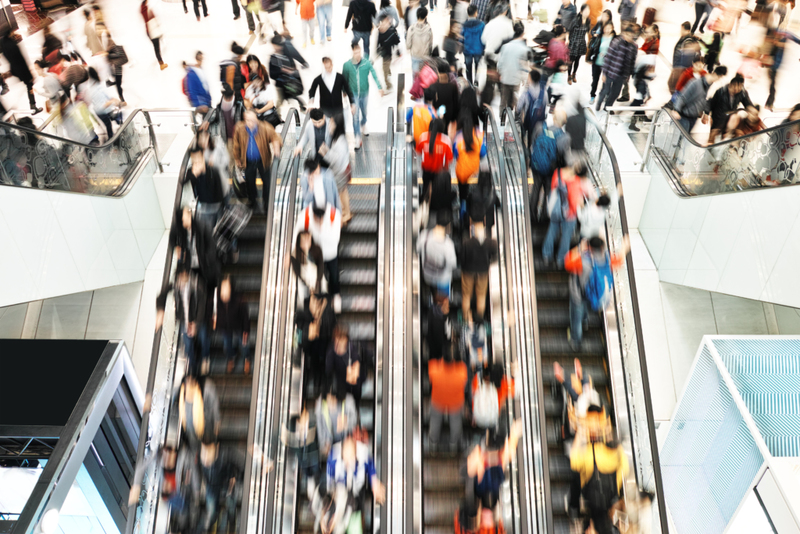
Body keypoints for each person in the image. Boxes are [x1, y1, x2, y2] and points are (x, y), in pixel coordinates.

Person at [564, 235, 630, 349]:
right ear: (602, 247)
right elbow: (620, 260)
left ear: (589, 247)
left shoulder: (582, 261)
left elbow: (567, 262)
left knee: (576, 317)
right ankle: (584, 321)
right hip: (593, 295)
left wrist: (580, 248)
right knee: (584, 309)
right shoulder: (608, 259)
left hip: (578, 294)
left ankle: (575, 340)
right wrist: (624, 247)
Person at [569, 414, 629, 534]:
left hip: (593, 500)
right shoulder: (619, 453)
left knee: (575, 477)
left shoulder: (592, 451)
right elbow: (625, 470)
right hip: (610, 499)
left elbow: (574, 462)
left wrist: (579, 434)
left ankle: (574, 510)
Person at [157, 267, 210, 376]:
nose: (181, 283)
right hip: (184, 320)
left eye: (183, 278)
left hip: (198, 319)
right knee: (187, 344)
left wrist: (195, 323)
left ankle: (205, 358)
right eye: (179, 279)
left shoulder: (197, 285)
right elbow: (161, 296)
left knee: (203, 338)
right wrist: (160, 311)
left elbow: (201, 305)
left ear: (187, 275)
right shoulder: (176, 284)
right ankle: (192, 367)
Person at [293, 186, 343, 303]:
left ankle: (335, 295)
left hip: (330, 253)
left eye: (321, 218)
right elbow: (297, 235)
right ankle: (316, 300)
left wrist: (322, 231)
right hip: (313, 254)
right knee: (315, 277)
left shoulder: (333, 215)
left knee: (334, 275)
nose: (319, 221)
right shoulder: (305, 216)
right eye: (317, 218)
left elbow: (336, 238)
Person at [232, 109, 283, 211]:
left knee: (267, 183)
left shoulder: (264, 127)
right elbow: (236, 144)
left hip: (263, 160)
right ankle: (252, 202)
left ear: (256, 120)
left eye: (251, 121)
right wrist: (237, 158)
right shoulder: (240, 128)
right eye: (247, 120)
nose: (249, 123)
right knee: (250, 182)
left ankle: (267, 203)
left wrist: (276, 146)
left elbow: (275, 137)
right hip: (248, 161)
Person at [428, 327, 468, 451]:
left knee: (435, 421)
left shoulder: (433, 367)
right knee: (456, 423)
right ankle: (453, 443)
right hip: (456, 402)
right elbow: (464, 385)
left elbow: (431, 381)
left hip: (437, 400)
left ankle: (433, 442)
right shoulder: (462, 370)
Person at [542, 161, 588, 267]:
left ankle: (546, 254)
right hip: (570, 214)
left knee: (552, 231)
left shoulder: (557, 173)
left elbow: (553, 188)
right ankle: (561, 260)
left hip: (556, 210)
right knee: (566, 237)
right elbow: (574, 200)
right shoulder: (576, 181)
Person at [342, 43, 383, 149]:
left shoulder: (366, 63)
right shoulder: (347, 65)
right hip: (353, 94)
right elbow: (344, 79)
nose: (357, 54)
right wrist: (344, 91)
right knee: (355, 116)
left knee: (364, 112)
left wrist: (379, 87)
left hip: (364, 93)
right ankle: (357, 137)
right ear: (352, 52)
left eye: (359, 52)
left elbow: (374, 74)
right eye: (355, 52)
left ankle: (363, 123)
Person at [209, 275, 252, 374]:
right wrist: (214, 321)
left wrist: (246, 330)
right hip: (225, 326)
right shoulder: (215, 298)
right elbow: (209, 310)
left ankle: (247, 358)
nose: (224, 294)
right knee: (227, 345)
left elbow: (246, 316)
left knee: (244, 344)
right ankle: (231, 358)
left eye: (227, 290)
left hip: (238, 325)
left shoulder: (239, 299)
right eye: (223, 290)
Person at [170, 206, 222, 286]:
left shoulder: (201, 226)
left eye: (186, 217)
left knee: (208, 283)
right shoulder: (179, 229)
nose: (185, 220)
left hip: (204, 264)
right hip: (190, 266)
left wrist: (207, 259)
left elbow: (211, 245)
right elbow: (172, 237)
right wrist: (177, 246)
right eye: (183, 219)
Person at [297, 291, 337, 392]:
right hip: (309, 347)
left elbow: (332, 327)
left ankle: (323, 386)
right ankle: (315, 384)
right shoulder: (303, 308)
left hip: (323, 344)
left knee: (323, 363)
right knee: (312, 362)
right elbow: (297, 333)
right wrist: (308, 332)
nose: (315, 305)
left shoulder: (328, 308)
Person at [671, 65, 726, 135]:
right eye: (720, 78)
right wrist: (676, 110)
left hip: (693, 117)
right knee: (678, 138)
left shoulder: (709, 86)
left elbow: (705, 100)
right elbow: (682, 97)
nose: (720, 80)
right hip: (684, 117)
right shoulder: (695, 83)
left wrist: (705, 113)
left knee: (683, 139)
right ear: (716, 75)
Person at [595, 24, 638, 112]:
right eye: (628, 35)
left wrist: (628, 75)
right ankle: (599, 103)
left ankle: (607, 107)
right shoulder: (616, 42)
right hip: (610, 72)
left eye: (631, 36)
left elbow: (632, 62)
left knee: (615, 93)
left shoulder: (633, 47)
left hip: (621, 75)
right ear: (624, 34)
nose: (629, 37)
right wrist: (604, 73)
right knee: (605, 90)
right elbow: (608, 58)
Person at [461, 221, 497, 323]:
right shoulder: (491, 243)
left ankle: (466, 319)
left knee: (466, 296)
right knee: (481, 296)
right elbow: (494, 256)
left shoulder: (467, 243)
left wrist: (464, 267)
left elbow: (462, 259)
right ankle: (479, 319)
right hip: (483, 272)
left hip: (468, 271)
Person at [417, 210, 458, 296]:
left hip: (427, 275)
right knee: (443, 300)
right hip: (443, 279)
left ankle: (429, 297)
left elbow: (417, 250)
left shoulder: (424, 235)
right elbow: (453, 264)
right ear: (448, 225)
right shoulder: (448, 244)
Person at [320, 113, 352, 223]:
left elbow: (335, 160)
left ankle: (347, 213)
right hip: (341, 170)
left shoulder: (340, 142)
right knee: (341, 192)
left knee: (342, 192)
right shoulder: (338, 137)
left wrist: (325, 153)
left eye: (332, 123)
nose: (330, 125)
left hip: (341, 171)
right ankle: (344, 210)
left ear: (337, 125)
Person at [0, 30, 42, 114]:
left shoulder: (4, 44)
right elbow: (21, 59)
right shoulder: (13, 45)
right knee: (29, 86)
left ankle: (33, 106)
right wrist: (29, 74)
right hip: (22, 70)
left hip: (15, 69)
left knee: (29, 86)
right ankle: (33, 106)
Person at [325, 325, 367, 403]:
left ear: (346, 339)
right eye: (336, 338)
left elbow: (356, 372)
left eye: (341, 338)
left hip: (354, 389)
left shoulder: (353, 349)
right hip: (340, 388)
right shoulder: (331, 350)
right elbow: (328, 370)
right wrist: (335, 352)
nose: (338, 341)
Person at [707, 74, 753, 144]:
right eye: (735, 86)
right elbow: (712, 103)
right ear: (730, 84)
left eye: (740, 87)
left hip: (730, 118)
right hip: (718, 117)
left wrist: (752, 111)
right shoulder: (721, 91)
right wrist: (707, 114)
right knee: (713, 136)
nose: (737, 89)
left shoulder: (742, 93)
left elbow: (748, 104)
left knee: (729, 135)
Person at [315, 381, 358, 456]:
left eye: (333, 399)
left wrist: (346, 423)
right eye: (328, 399)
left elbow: (355, 420)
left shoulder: (348, 401)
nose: (331, 402)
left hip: (345, 442)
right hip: (329, 442)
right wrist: (323, 444)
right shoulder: (320, 404)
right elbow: (319, 425)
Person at [454, 115, 486, 206]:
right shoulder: (479, 135)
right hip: (475, 170)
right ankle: (473, 205)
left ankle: (462, 206)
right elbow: (483, 153)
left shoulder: (458, 137)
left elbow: (456, 155)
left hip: (462, 172)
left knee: (462, 189)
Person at [497, 21, 529, 110]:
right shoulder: (524, 48)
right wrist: (524, 78)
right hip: (516, 78)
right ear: (522, 33)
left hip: (505, 76)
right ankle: (513, 119)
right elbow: (524, 65)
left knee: (503, 99)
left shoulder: (505, 46)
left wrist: (500, 73)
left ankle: (502, 119)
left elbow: (500, 63)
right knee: (514, 99)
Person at [80, 67, 119, 139]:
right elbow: (102, 105)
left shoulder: (90, 87)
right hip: (103, 110)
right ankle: (114, 137)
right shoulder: (96, 87)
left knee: (109, 125)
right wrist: (112, 101)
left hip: (99, 111)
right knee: (114, 119)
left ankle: (112, 137)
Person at [417, 118, 453, 195]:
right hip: (440, 172)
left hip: (426, 170)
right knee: (439, 193)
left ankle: (425, 202)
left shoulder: (423, 137)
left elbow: (418, 152)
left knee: (425, 190)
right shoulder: (446, 140)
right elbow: (450, 159)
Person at [292, 229, 327, 297]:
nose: (306, 241)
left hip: (319, 285)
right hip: (304, 286)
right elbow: (298, 273)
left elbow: (321, 268)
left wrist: (316, 287)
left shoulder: (317, 250)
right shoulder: (295, 254)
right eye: (304, 239)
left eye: (308, 238)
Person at [668, 22, 699, 94]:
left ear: (687, 31)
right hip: (678, 66)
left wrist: (679, 68)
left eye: (682, 30)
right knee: (671, 83)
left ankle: (675, 99)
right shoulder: (684, 38)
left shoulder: (688, 41)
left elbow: (688, 58)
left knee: (673, 84)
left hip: (680, 67)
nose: (680, 31)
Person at [141, 0, 168, 70]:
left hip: (151, 31)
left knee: (156, 48)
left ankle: (161, 63)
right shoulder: (146, 10)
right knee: (157, 48)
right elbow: (151, 19)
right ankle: (161, 64)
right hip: (152, 31)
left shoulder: (144, 8)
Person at [376, 14, 401, 91]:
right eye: (382, 22)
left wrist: (398, 52)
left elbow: (397, 42)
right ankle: (389, 73)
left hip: (389, 55)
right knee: (386, 68)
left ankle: (389, 85)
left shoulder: (392, 31)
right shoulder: (380, 31)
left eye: (385, 22)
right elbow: (378, 42)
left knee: (384, 71)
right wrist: (377, 49)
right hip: (384, 53)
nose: (383, 24)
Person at [568, 4, 591, 84]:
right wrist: (570, 41)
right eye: (585, 10)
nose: (587, 12)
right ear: (581, 12)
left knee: (577, 60)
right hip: (574, 41)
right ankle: (569, 76)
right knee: (571, 60)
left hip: (581, 42)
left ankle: (574, 74)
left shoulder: (588, 20)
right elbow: (570, 30)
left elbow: (587, 31)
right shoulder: (576, 20)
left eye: (588, 11)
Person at [462, 5, 485, 86]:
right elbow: (484, 37)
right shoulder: (481, 24)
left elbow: (461, 38)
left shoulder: (464, 25)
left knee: (468, 67)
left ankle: (469, 83)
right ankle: (476, 80)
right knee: (478, 66)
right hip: (478, 49)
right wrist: (484, 47)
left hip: (467, 49)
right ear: (476, 13)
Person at [407, 7, 433, 74]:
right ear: (426, 16)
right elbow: (430, 45)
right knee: (424, 77)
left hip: (415, 56)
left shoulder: (411, 28)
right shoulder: (429, 29)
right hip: (425, 56)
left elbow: (408, 45)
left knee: (415, 78)